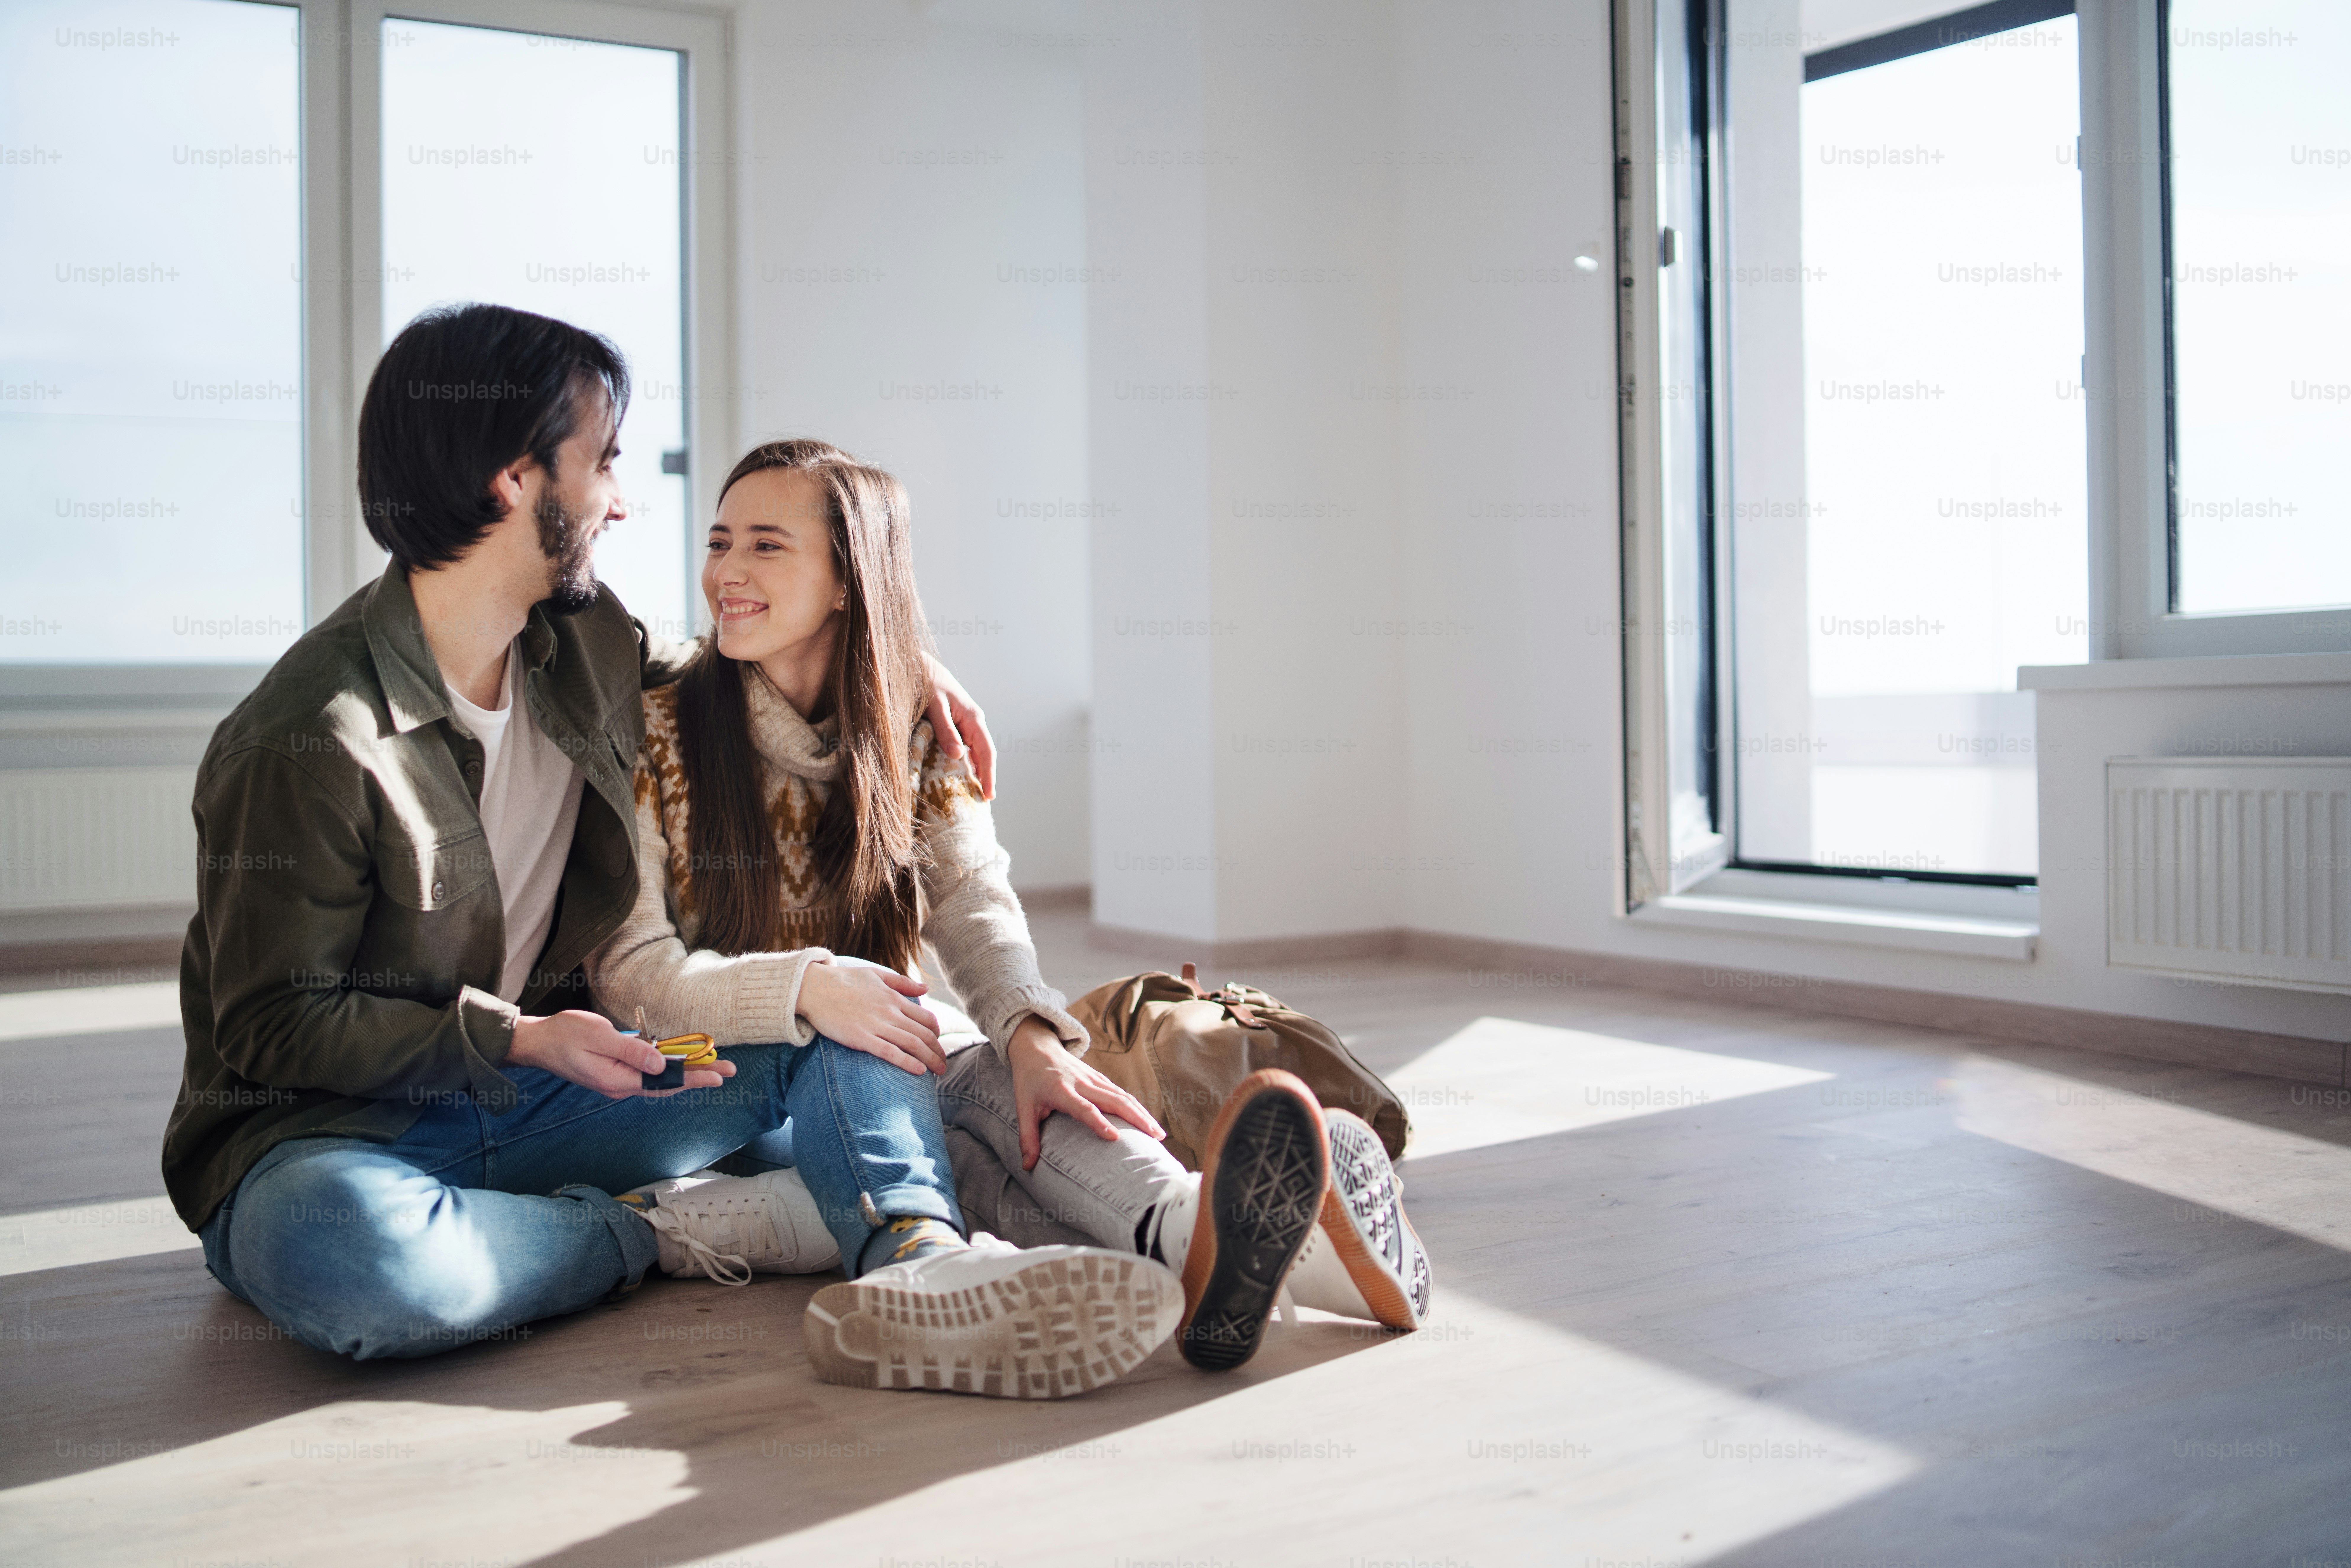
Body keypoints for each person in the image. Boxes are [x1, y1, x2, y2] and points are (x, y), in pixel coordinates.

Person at [164, 304, 1013, 1366]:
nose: (619, 501)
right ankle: (652, 1231)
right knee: (356, 1264)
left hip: (564, 1088)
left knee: (841, 1008)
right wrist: (514, 1036)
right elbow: (275, 1031)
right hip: (337, 1142)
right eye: (602, 461)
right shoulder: (308, 738)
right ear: (513, 482)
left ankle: (916, 1269)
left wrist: (895, 661)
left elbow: (731, 669)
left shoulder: (586, 639)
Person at [586, 439, 1433, 1388]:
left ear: (846, 583)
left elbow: (971, 897)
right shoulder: (657, 727)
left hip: (878, 1066)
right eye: (720, 541)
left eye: (766, 546)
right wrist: (812, 991)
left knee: (1000, 1099)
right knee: (919, 1066)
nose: (727, 572)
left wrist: (1034, 1038)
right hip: (711, 1081)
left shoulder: (907, 724)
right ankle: (1243, 1244)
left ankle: (1194, 1238)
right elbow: (634, 976)